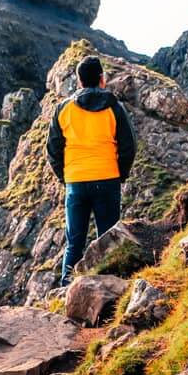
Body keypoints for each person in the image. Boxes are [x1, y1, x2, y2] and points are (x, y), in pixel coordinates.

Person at [46, 54, 136, 285]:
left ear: (79, 81)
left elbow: (53, 150)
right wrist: (120, 174)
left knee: (74, 242)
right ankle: (106, 290)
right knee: (107, 239)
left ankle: (66, 289)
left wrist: (66, 177)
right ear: (101, 79)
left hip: (76, 181)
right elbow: (128, 146)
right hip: (107, 179)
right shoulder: (114, 107)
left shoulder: (63, 109)